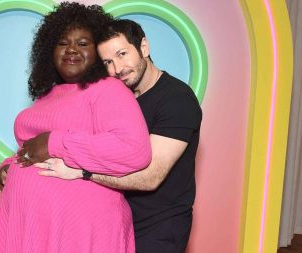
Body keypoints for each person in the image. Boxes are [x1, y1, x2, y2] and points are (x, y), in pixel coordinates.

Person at [33, 19, 203, 253]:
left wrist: (82, 173)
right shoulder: (117, 99)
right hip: (117, 223)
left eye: (122, 54)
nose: (117, 68)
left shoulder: (177, 99)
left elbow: (150, 176)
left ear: (144, 47)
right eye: (108, 62)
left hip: (160, 229)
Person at [0, 3, 151, 253]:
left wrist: (55, 143)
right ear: (49, 50)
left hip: (80, 230)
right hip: (30, 225)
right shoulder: (48, 96)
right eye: (63, 43)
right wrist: (10, 165)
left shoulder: (109, 90)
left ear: (98, 51)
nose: (72, 50)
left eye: (83, 43)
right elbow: (35, 147)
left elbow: (134, 150)